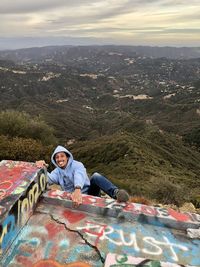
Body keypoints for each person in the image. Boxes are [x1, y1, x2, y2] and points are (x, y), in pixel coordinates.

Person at [36, 145, 129, 207]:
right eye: (57, 157)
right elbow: (48, 179)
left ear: (67, 157)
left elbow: (79, 175)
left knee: (96, 176)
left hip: (88, 192)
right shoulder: (57, 172)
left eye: (62, 156)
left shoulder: (77, 165)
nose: (59, 159)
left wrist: (77, 189)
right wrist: (42, 168)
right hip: (72, 197)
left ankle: (116, 193)